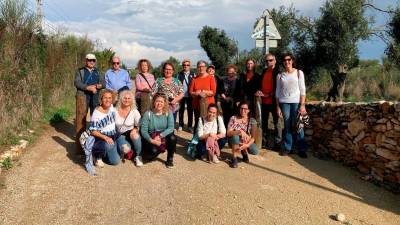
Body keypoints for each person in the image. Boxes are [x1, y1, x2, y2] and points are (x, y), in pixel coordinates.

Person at [276, 53, 307, 158]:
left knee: (298, 125)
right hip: (284, 103)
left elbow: (303, 90)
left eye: (289, 59)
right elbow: (277, 92)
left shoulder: (299, 73)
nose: (287, 62)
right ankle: (288, 148)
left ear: (292, 60)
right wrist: (278, 106)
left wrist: (302, 105)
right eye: (285, 60)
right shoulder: (280, 75)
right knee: (287, 125)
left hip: (296, 102)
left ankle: (301, 149)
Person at [74, 53, 104, 155]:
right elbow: (77, 83)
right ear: (86, 60)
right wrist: (88, 87)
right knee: (81, 120)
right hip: (83, 97)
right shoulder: (80, 71)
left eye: (93, 60)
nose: (91, 62)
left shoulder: (98, 71)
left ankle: (94, 141)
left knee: (95, 118)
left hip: (95, 97)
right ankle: (80, 145)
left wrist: (99, 86)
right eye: (89, 60)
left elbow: (103, 83)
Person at [140, 93, 177, 168]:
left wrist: (160, 136)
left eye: (161, 102)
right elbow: (143, 131)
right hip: (151, 137)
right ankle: (154, 150)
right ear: (153, 102)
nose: (159, 103)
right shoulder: (148, 114)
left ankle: (170, 159)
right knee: (151, 154)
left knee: (173, 138)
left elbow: (171, 127)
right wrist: (152, 141)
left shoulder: (168, 112)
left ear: (164, 103)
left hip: (164, 135)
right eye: (157, 101)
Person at [255, 53, 281, 150]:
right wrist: (259, 91)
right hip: (264, 103)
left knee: (277, 123)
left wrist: (268, 95)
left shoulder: (278, 72)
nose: (268, 62)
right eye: (267, 61)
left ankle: (278, 144)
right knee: (264, 123)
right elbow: (260, 85)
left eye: (270, 60)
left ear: (275, 61)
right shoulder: (264, 71)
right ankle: (264, 142)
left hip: (274, 102)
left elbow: (279, 88)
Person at [89, 89, 119, 167]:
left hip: (113, 134)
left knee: (115, 161)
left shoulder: (112, 107)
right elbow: (93, 131)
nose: (107, 100)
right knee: (109, 145)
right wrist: (105, 137)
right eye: (105, 98)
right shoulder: (97, 113)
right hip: (101, 138)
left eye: (109, 98)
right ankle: (97, 155)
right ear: (101, 99)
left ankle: (105, 154)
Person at [227, 101, 259, 168]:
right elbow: (228, 133)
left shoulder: (252, 120)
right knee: (235, 136)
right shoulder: (233, 118)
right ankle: (234, 158)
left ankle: (244, 152)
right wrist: (239, 131)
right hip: (234, 141)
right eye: (241, 108)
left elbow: (253, 138)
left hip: (246, 141)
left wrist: (247, 145)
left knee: (255, 151)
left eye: (245, 109)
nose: (243, 110)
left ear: (249, 110)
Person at [115, 90, 143, 166]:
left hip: (131, 133)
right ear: (121, 99)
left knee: (135, 135)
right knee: (125, 149)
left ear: (132, 100)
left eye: (129, 98)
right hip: (120, 134)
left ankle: (138, 156)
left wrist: (135, 129)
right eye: (125, 98)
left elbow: (139, 124)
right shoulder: (115, 110)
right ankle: (129, 150)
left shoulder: (134, 111)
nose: (126, 100)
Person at [189, 60, 217, 132]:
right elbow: (190, 92)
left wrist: (203, 91)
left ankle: (207, 141)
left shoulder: (211, 78)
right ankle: (196, 141)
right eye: (199, 67)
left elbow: (213, 92)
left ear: (205, 67)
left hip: (208, 106)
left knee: (208, 125)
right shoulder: (194, 79)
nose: (201, 68)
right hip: (197, 105)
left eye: (203, 66)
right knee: (198, 123)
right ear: (197, 68)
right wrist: (197, 93)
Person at [177, 59, 195, 133]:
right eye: (184, 65)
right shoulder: (179, 74)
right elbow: (177, 84)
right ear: (182, 66)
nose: (186, 66)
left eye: (187, 65)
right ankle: (181, 125)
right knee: (181, 111)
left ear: (189, 66)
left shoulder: (193, 74)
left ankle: (190, 126)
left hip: (190, 96)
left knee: (190, 111)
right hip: (181, 96)